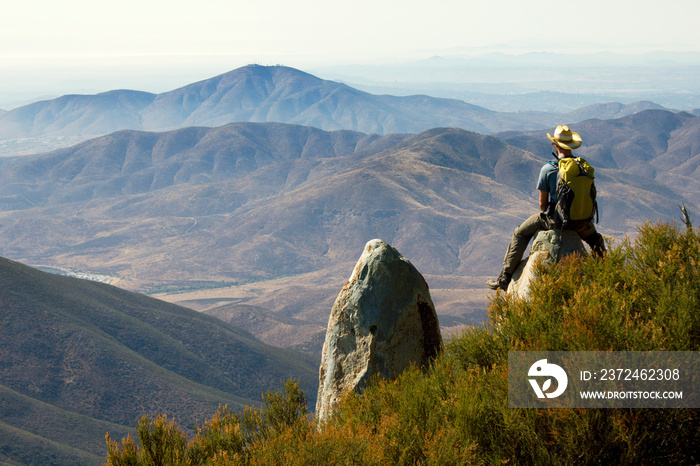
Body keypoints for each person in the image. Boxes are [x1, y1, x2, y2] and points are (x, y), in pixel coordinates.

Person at [486, 125, 606, 291]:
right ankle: (607, 272)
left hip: (557, 222)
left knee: (520, 233)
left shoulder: (548, 169)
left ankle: (505, 277)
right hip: (582, 223)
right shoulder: (583, 168)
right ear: (571, 146)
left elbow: (543, 205)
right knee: (595, 240)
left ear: (555, 146)